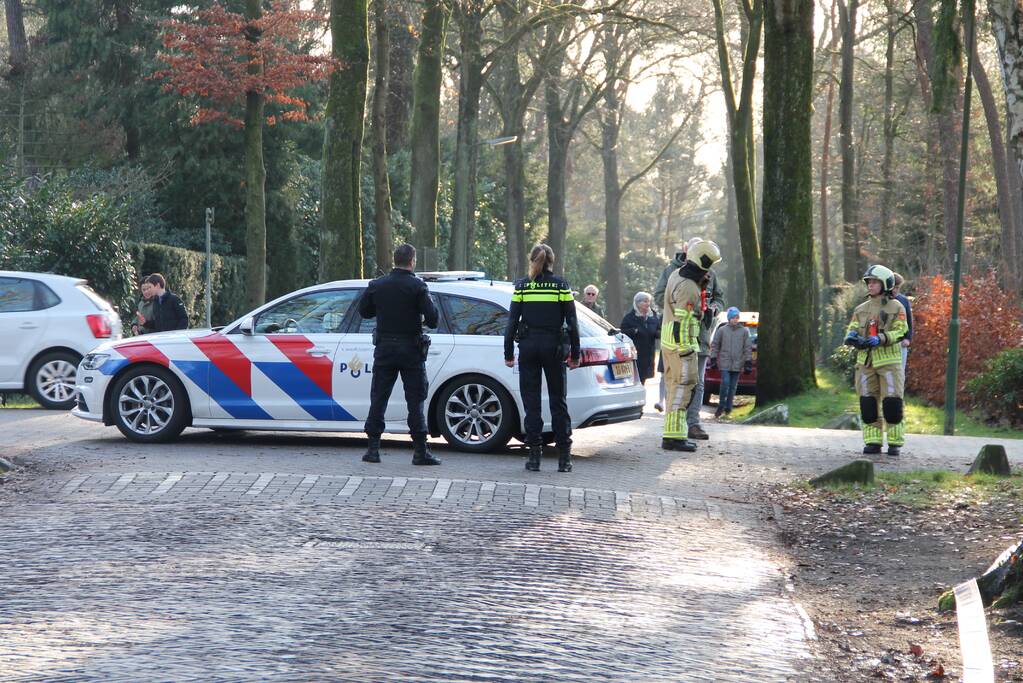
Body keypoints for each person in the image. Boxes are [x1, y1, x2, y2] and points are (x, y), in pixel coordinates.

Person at [360, 244, 441, 466]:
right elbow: (433, 319)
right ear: (412, 261)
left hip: (385, 348)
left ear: (395, 260)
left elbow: (364, 311)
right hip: (411, 351)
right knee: (415, 400)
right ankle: (420, 452)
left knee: (378, 397)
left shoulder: (378, 285)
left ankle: (373, 450)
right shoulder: (417, 287)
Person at [505, 244, 581, 472]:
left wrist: (508, 352)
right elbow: (572, 322)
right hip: (553, 347)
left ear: (532, 260)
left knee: (532, 403)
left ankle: (534, 457)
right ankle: (564, 459)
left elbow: (511, 322)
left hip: (528, 347)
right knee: (558, 401)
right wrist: (575, 354)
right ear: (552, 261)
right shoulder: (560, 285)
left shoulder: (522, 286)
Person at [660, 240, 721, 452]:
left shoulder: (677, 275)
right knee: (683, 388)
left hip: (670, 343)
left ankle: (673, 434)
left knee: (674, 387)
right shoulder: (688, 288)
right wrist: (686, 349)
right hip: (681, 346)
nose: (710, 269)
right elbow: (683, 321)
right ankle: (674, 438)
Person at [844, 264, 909, 457]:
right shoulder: (861, 308)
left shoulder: (896, 306)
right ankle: (873, 442)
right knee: (868, 404)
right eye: (868, 282)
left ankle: (895, 443)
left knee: (892, 404)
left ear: (885, 284)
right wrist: (852, 338)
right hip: (865, 363)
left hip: (889, 362)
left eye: (874, 282)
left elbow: (901, 330)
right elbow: (853, 327)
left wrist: (880, 338)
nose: (870, 285)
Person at [653, 244, 688, 412]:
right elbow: (659, 295)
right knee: (671, 376)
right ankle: (671, 414)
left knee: (691, 380)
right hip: (672, 333)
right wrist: (673, 308)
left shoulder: (708, 273)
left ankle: (687, 420)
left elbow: (718, 297)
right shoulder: (670, 272)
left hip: (695, 338)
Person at [710, 307, 753, 418]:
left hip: (738, 363)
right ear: (729, 318)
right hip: (725, 362)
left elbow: (747, 347)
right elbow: (715, 345)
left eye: (737, 317)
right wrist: (713, 358)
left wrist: (748, 361)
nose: (735, 319)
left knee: (733, 386)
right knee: (725, 383)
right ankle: (721, 405)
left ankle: (728, 407)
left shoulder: (744, 331)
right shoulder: (722, 330)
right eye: (733, 317)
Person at [620, 292, 659, 387]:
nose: (648, 304)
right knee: (636, 378)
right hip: (636, 353)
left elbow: (658, 328)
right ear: (637, 303)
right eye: (645, 301)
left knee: (644, 378)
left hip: (649, 352)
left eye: (648, 301)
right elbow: (622, 332)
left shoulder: (653, 315)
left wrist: (658, 333)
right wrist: (634, 331)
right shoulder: (630, 317)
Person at [891, 273, 913, 372]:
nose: (895, 290)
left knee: (900, 372)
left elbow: (909, 320)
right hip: (886, 342)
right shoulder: (882, 300)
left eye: (897, 287)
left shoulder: (903, 300)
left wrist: (908, 338)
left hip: (901, 343)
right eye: (893, 287)